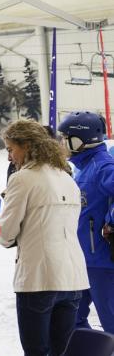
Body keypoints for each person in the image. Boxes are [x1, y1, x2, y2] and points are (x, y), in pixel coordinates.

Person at [0, 120, 89, 356]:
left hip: (38, 279)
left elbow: (6, 235)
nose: (9, 157)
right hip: (72, 278)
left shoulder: (22, 179)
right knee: (60, 351)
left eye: (11, 149)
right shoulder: (67, 178)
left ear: (26, 145)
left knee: (36, 351)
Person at [58, 111, 114, 333]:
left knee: (110, 321)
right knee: (70, 320)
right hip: (82, 259)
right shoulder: (82, 167)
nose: (62, 143)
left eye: (66, 138)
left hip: (102, 262)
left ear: (82, 140)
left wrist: (111, 222)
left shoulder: (103, 167)